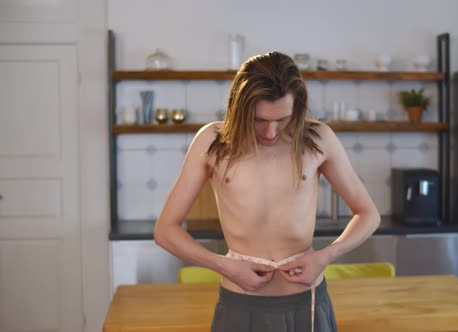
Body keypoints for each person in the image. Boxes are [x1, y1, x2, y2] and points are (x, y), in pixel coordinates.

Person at [154, 51, 380, 332]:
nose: (271, 132)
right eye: (259, 120)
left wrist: (325, 256)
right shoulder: (212, 143)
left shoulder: (317, 139)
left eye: (282, 119)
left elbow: (368, 214)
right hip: (240, 304)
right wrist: (223, 265)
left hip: (307, 303)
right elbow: (165, 230)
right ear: (240, 107)